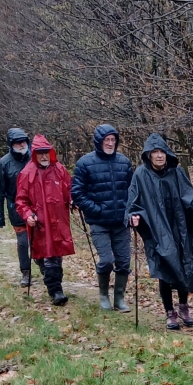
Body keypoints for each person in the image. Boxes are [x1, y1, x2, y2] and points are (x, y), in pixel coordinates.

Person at [126, 133, 193, 329]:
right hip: (156, 229)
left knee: (182, 264)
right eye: (155, 152)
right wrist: (133, 217)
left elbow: (189, 194)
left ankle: (183, 306)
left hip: (180, 228)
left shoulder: (176, 172)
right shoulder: (140, 175)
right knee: (164, 268)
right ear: (148, 155)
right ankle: (169, 312)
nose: (159, 155)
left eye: (162, 151)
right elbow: (133, 202)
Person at [71, 123, 135, 311]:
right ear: (99, 142)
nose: (110, 143)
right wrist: (95, 210)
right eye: (106, 140)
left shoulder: (124, 162)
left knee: (124, 262)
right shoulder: (85, 163)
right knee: (106, 260)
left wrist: (130, 211)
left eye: (113, 140)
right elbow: (77, 192)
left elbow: (133, 191)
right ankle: (103, 295)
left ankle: (119, 299)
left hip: (121, 222)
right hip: (99, 222)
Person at [14, 134, 75, 305]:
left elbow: (70, 189)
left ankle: (56, 287)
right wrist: (27, 215)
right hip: (40, 224)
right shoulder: (27, 173)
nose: (43, 156)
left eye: (46, 152)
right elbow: (21, 201)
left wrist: (73, 200)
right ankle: (56, 290)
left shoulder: (60, 169)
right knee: (47, 255)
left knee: (57, 255)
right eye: (40, 153)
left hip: (59, 221)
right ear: (34, 154)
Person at [0, 127, 32, 286]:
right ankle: (25, 272)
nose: (21, 144)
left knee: (38, 241)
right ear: (11, 144)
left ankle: (44, 267)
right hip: (16, 209)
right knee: (23, 242)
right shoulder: (5, 162)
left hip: (36, 208)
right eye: (17, 142)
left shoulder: (34, 157)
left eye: (23, 141)